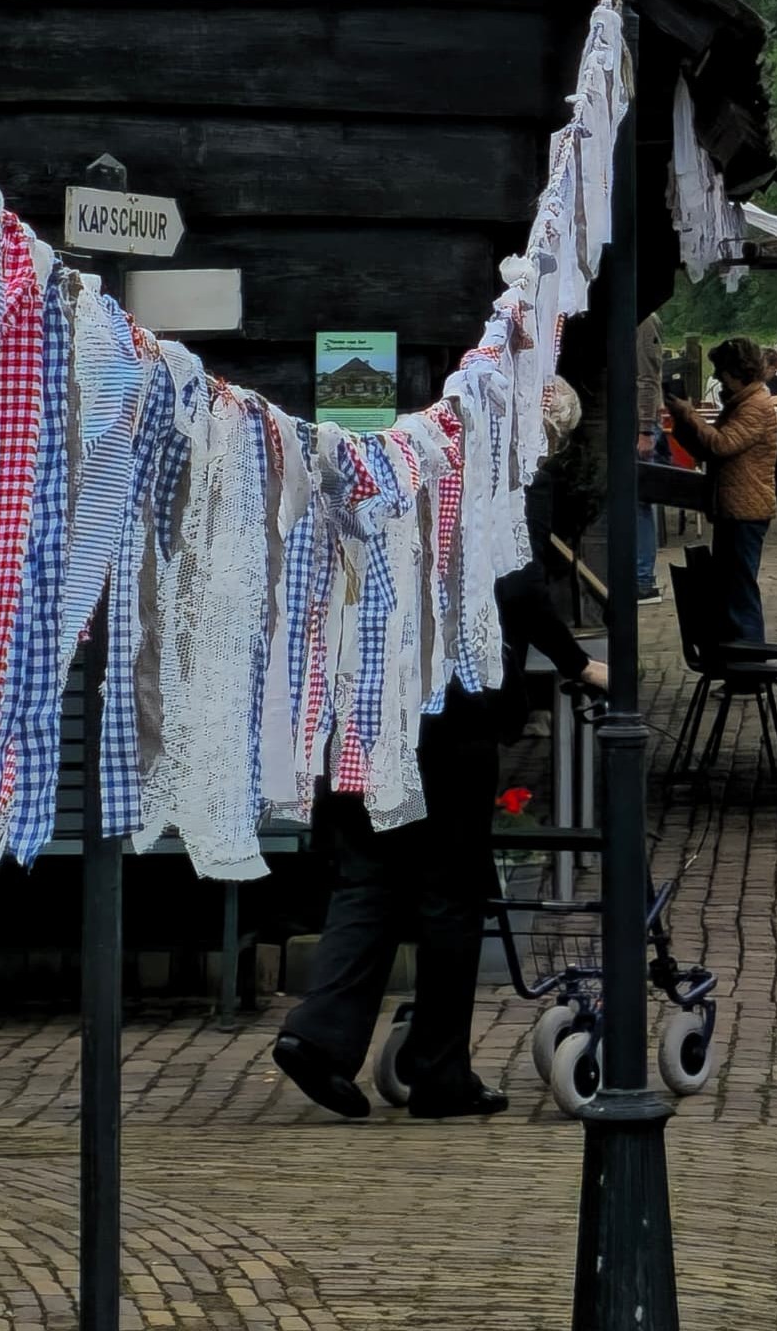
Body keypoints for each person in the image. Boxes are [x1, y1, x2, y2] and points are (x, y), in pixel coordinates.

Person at [277, 387, 608, 1119]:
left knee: (369, 876)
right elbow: (517, 587)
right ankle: (438, 1072)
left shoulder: (399, 461)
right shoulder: (503, 481)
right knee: (450, 893)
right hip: (452, 715)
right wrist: (577, 663)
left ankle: (319, 1037)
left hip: (369, 701)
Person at [663, 337, 777, 640]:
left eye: (723, 372)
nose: (719, 378)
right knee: (730, 587)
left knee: (740, 589)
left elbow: (722, 444)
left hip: (747, 509)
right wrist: (684, 423)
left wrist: (690, 414)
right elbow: (708, 449)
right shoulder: (741, 403)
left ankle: (749, 663)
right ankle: (738, 663)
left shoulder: (755, 406)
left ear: (737, 370)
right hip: (735, 507)